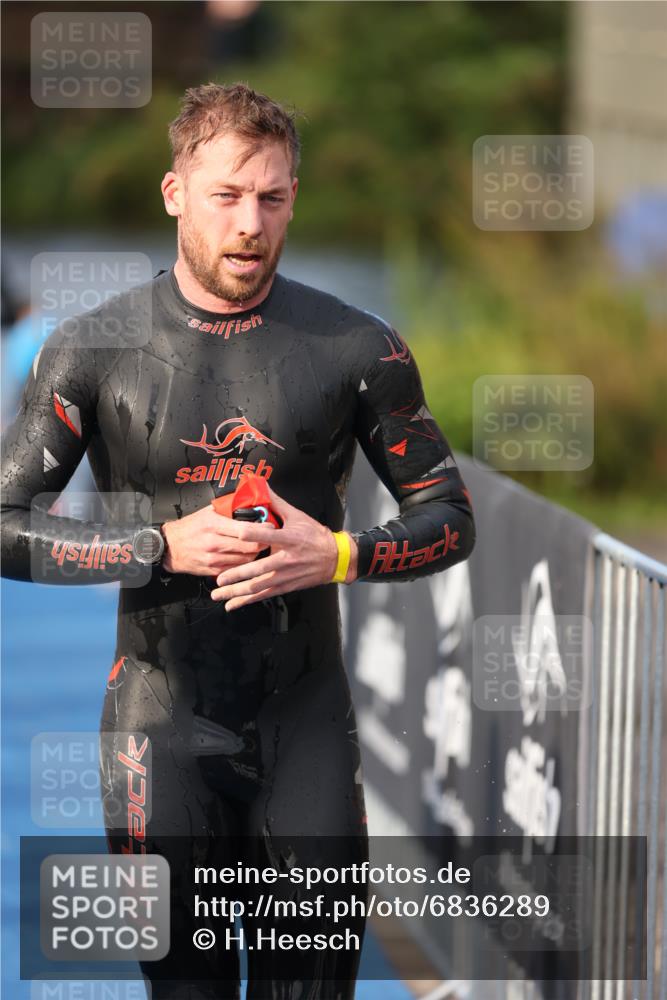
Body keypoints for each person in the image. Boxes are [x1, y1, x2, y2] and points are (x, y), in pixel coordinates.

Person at [0, 83, 475, 999]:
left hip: (305, 725)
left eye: (272, 196)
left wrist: (336, 555)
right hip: (158, 727)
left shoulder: (357, 348)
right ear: (175, 192)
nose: (250, 223)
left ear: (295, 194)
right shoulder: (93, 349)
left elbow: (448, 517)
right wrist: (155, 548)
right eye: (226, 195)